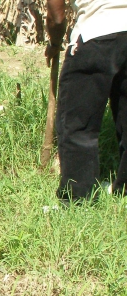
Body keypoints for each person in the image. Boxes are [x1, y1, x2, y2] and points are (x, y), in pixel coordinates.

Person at [46, 0, 127, 202]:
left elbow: (56, 16)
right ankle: (124, 190)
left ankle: (77, 198)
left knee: (77, 124)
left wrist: (55, 43)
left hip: (97, 35)